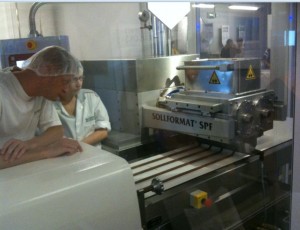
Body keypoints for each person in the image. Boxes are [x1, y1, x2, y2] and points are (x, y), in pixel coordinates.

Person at [0, 46, 83, 169]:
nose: (66, 89)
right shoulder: (3, 91)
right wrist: (46, 151)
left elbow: (56, 130)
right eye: (65, 81)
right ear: (47, 70)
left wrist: (29, 144)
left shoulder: (43, 92)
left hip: (24, 169)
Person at [54, 67, 111, 148]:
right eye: (74, 79)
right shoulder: (50, 103)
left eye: (80, 78)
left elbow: (103, 131)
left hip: (93, 155)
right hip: (65, 157)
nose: (79, 84)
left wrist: (79, 146)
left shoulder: (91, 97)